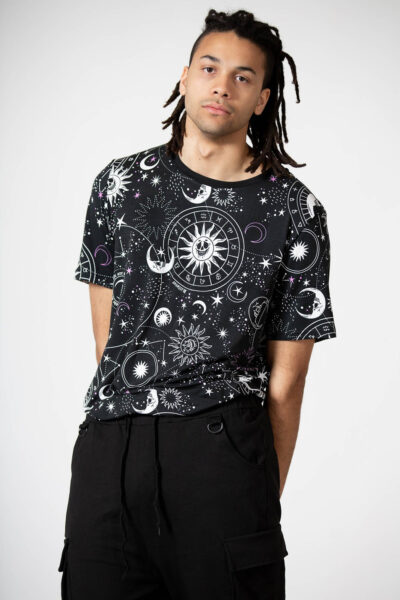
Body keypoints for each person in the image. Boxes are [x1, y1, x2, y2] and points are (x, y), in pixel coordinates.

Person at [58, 8, 337, 599]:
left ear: (262, 99)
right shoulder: (119, 185)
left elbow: (287, 384)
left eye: (243, 76)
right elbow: (109, 344)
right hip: (110, 450)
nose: (222, 85)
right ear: (185, 78)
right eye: (209, 68)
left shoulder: (295, 211)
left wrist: (253, 493)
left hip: (221, 453)